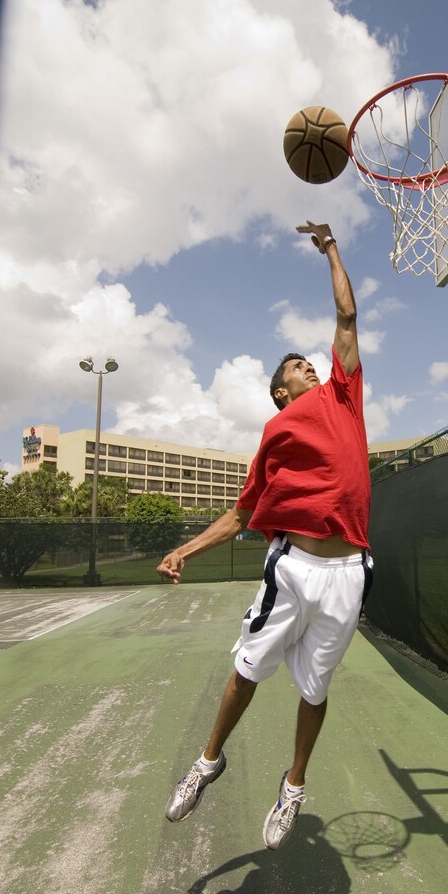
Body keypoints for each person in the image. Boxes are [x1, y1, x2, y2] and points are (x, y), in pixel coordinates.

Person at [157, 221, 373, 851]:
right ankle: (209, 760)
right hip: (296, 567)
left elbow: (347, 315)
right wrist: (185, 550)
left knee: (316, 688)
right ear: (282, 393)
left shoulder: (344, 395)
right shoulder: (275, 437)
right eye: (298, 368)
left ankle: (294, 786)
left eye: (311, 362)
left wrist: (331, 248)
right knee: (248, 671)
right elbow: (240, 516)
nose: (311, 366)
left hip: (349, 572)